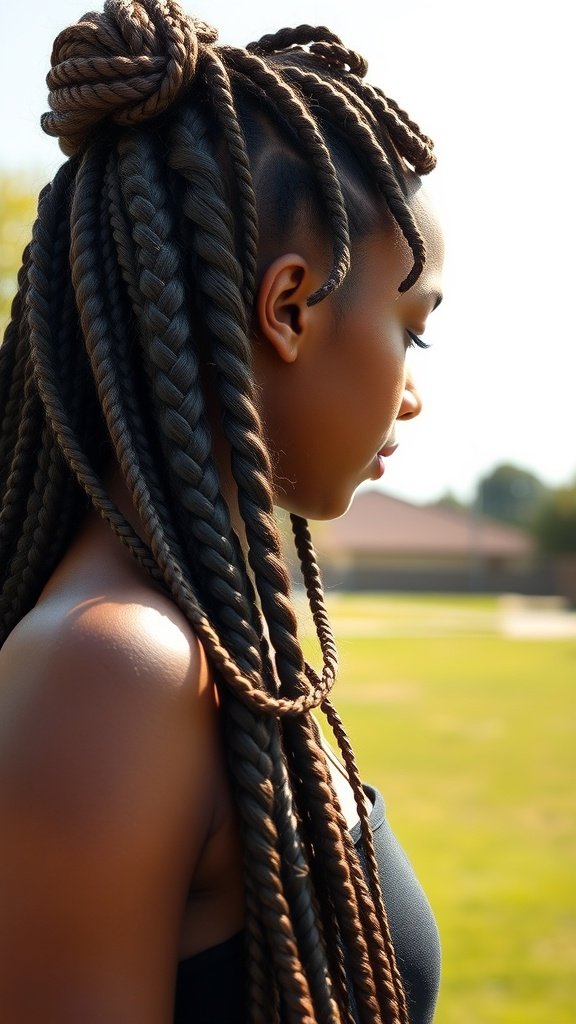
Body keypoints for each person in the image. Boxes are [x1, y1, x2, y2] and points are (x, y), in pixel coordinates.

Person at [0, 1, 444, 1021]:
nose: (413, 390)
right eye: (414, 330)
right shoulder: (113, 668)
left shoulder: (214, 638)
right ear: (289, 308)